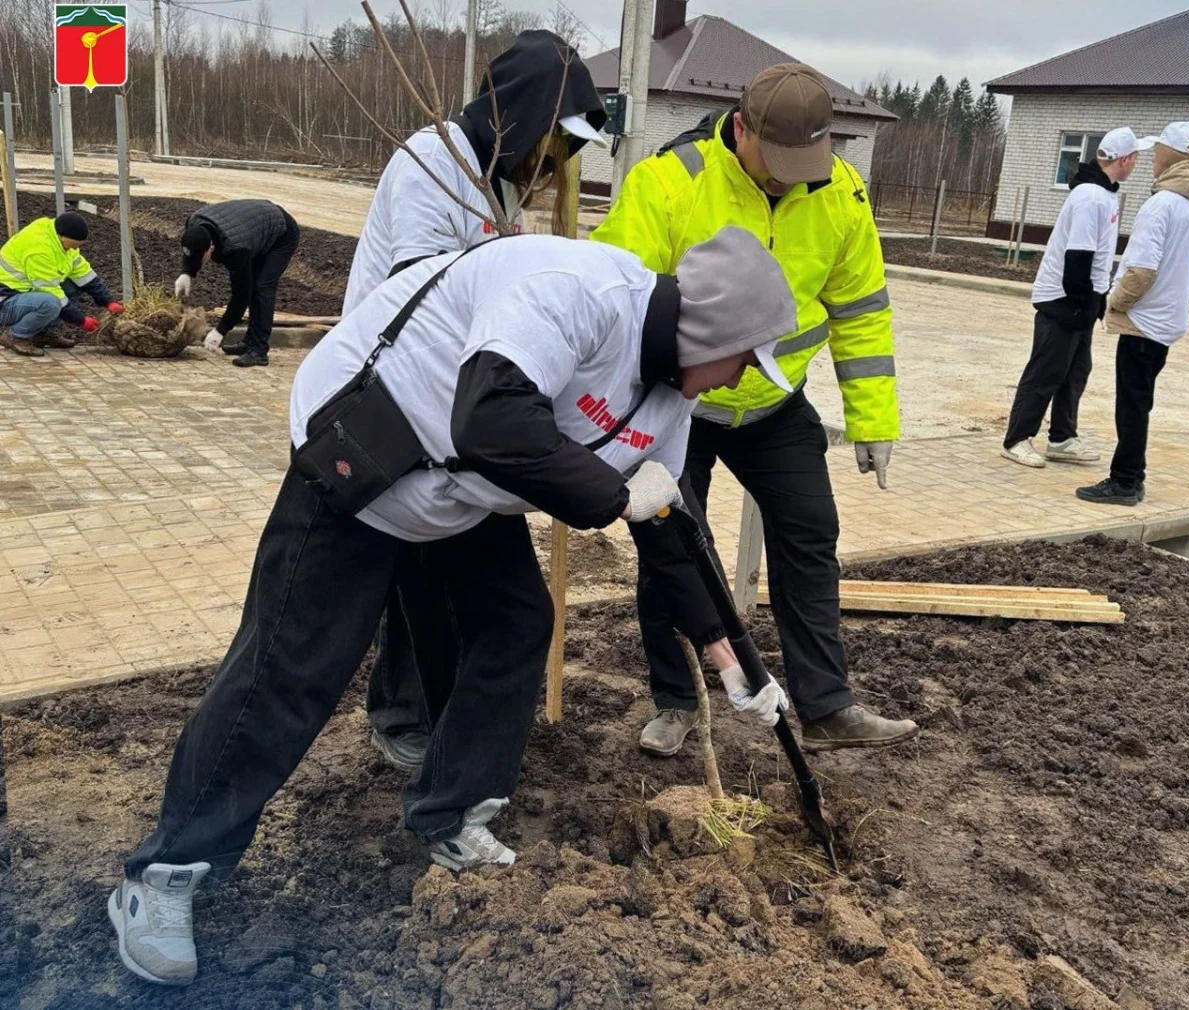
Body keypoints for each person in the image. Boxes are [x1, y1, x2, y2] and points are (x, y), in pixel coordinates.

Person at [107, 226, 800, 987]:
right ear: (709, 330)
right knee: (291, 668)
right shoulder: (579, 290)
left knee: (516, 624)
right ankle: (165, 871)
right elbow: (491, 418)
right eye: (744, 360)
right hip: (364, 444)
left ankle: (450, 812)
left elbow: (669, 532)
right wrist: (611, 496)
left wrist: (733, 660)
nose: (738, 381)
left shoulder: (670, 402)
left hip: (460, 492)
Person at [591, 62, 919, 757]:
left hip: (773, 400)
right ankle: (677, 700)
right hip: (677, 405)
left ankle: (826, 708)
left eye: (805, 166)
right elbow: (613, 298)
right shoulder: (670, 182)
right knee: (673, 548)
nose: (788, 181)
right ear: (739, 128)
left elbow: (861, 311)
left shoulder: (841, 193)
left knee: (810, 535)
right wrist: (615, 422)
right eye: (776, 163)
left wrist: (874, 420)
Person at [347, 29, 608, 773]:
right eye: (553, 143)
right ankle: (401, 712)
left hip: (452, 403)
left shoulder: (494, 181)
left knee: (454, 569)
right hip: (392, 393)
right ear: (520, 117)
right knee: (413, 563)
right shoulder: (434, 163)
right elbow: (424, 289)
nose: (553, 164)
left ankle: (448, 712)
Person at [1001, 128, 1147, 469]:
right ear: (1125, 159)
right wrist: (1082, 300)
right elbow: (1078, 255)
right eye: (1135, 158)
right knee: (1046, 370)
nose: (1136, 164)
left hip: (1082, 300)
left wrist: (1097, 298)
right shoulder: (1090, 197)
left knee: (1075, 370)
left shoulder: (1104, 194)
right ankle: (1017, 439)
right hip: (1064, 300)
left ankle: (1062, 437)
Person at [1077, 122, 1189, 506]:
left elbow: (1142, 270)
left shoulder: (1161, 204)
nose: (1152, 159)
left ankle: (1125, 481)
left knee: (1131, 403)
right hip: (1168, 318)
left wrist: (1115, 302)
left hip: (1144, 321)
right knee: (1140, 399)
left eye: (1157, 151)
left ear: (1169, 156)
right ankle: (1134, 475)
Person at [173, 199, 300, 368]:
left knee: (261, 287)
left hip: (281, 232)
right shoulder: (194, 222)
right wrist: (187, 272)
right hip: (254, 227)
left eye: (200, 258)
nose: (199, 262)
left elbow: (241, 295)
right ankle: (249, 343)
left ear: (211, 248)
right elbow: (192, 250)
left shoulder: (236, 248)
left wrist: (221, 330)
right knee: (254, 283)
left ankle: (259, 350)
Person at [0, 212, 124, 357]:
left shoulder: (60, 239)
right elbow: (51, 292)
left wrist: (108, 301)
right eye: (73, 245)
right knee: (51, 303)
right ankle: (16, 336)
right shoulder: (39, 250)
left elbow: (84, 274)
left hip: (23, 295)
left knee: (71, 287)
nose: (74, 249)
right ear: (61, 237)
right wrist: (81, 321)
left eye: (77, 246)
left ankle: (42, 334)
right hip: (5, 301)